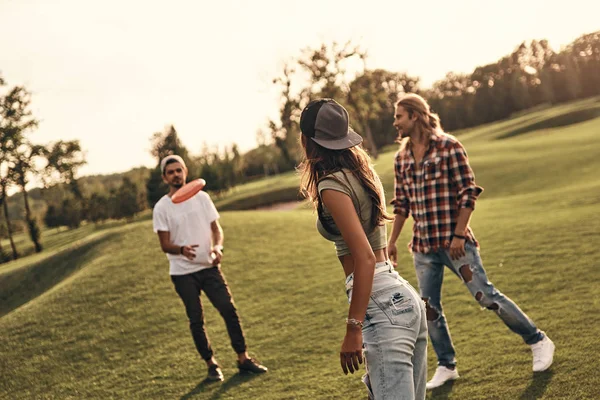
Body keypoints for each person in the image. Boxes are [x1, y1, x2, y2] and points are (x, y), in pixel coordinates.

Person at [387, 93, 555, 390]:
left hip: (456, 245)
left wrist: (459, 234)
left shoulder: (449, 146)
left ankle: (537, 340)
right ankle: (447, 365)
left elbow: (467, 192)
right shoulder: (401, 159)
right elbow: (402, 205)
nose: (395, 122)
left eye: (399, 116)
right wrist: (392, 243)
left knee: (487, 296)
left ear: (414, 116)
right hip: (424, 248)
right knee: (429, 308)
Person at [298, 98, 427, 400]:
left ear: (309, 140)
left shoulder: (331, 186)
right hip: (402, 294)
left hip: (380, 304)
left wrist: (353, 328)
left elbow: (364, 258)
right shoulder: (364, 172)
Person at [152, 155, 267, 382]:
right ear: (165, 177)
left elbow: (217, 229)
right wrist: (182, 250)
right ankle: (211, 364)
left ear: (185, 171)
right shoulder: (161, 208)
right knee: (196, 319)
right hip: (182, 272)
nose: (176, 174)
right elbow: (165, 244)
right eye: (171, 172)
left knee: (228, 310)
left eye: (179, 170)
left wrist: (218, 248)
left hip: (209, 266)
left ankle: (243, 358)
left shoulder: (202, 198)